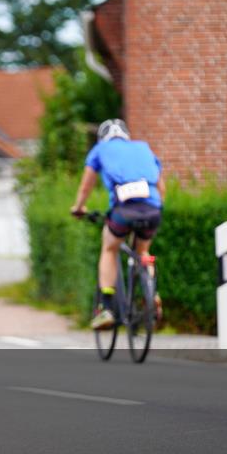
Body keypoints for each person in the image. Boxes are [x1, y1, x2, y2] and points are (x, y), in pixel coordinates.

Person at [70, 118, 165, 329]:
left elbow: (86, 186)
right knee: (142, 253)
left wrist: (78, 208)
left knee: (110, 248)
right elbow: (161, 185)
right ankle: (152, 292)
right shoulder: (143, 148)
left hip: (123, 211)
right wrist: (158, 208)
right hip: (152, 209)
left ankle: (105, 307)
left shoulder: (100, 149)